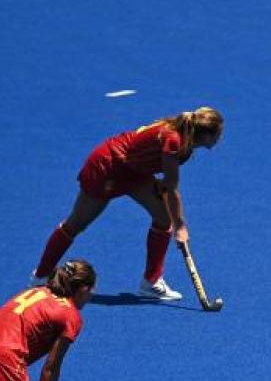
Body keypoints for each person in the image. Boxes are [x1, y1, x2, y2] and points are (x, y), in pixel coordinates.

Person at [30, 107, 224, 300]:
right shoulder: (174, 140)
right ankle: (41, 277)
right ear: (206, 135)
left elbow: (165, 180)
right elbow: (172, 188)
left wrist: (164, 192)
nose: (220, 138)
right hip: (109, 166)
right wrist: (180, 226)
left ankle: (151, 283)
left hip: (135, 172)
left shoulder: (183, 140)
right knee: (76, 223)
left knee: (164, 218)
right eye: (218, 134)